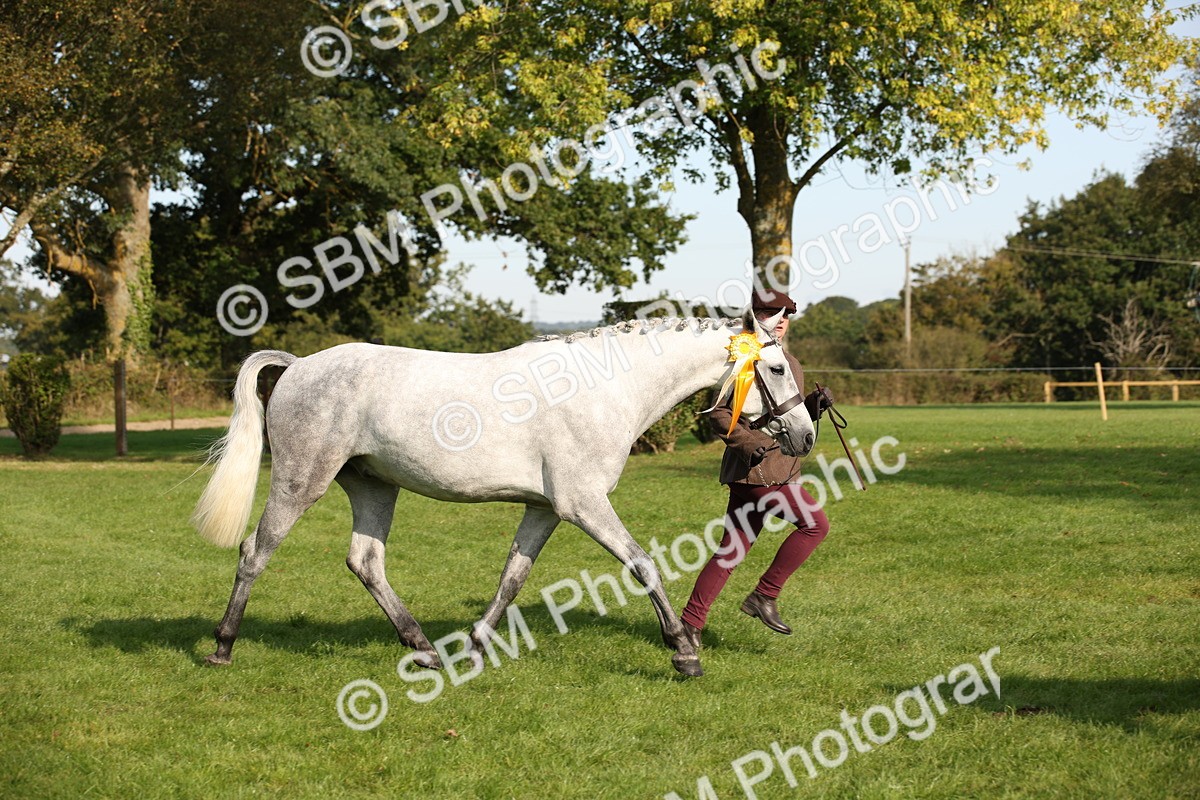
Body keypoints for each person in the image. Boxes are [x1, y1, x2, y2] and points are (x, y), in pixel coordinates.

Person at [680, 289, 833, 648]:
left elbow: (786, 414)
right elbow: (718, 415)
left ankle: (689, 624)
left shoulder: (788, 360)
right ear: (755, 318)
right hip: (759, 472)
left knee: (731, 551)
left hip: (780, 469)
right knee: (814, 525)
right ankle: (764, 595)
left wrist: (814, 404)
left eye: (785, 315)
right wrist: (751, 444)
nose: (781, 321)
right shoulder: (740, 357)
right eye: (771, 313)